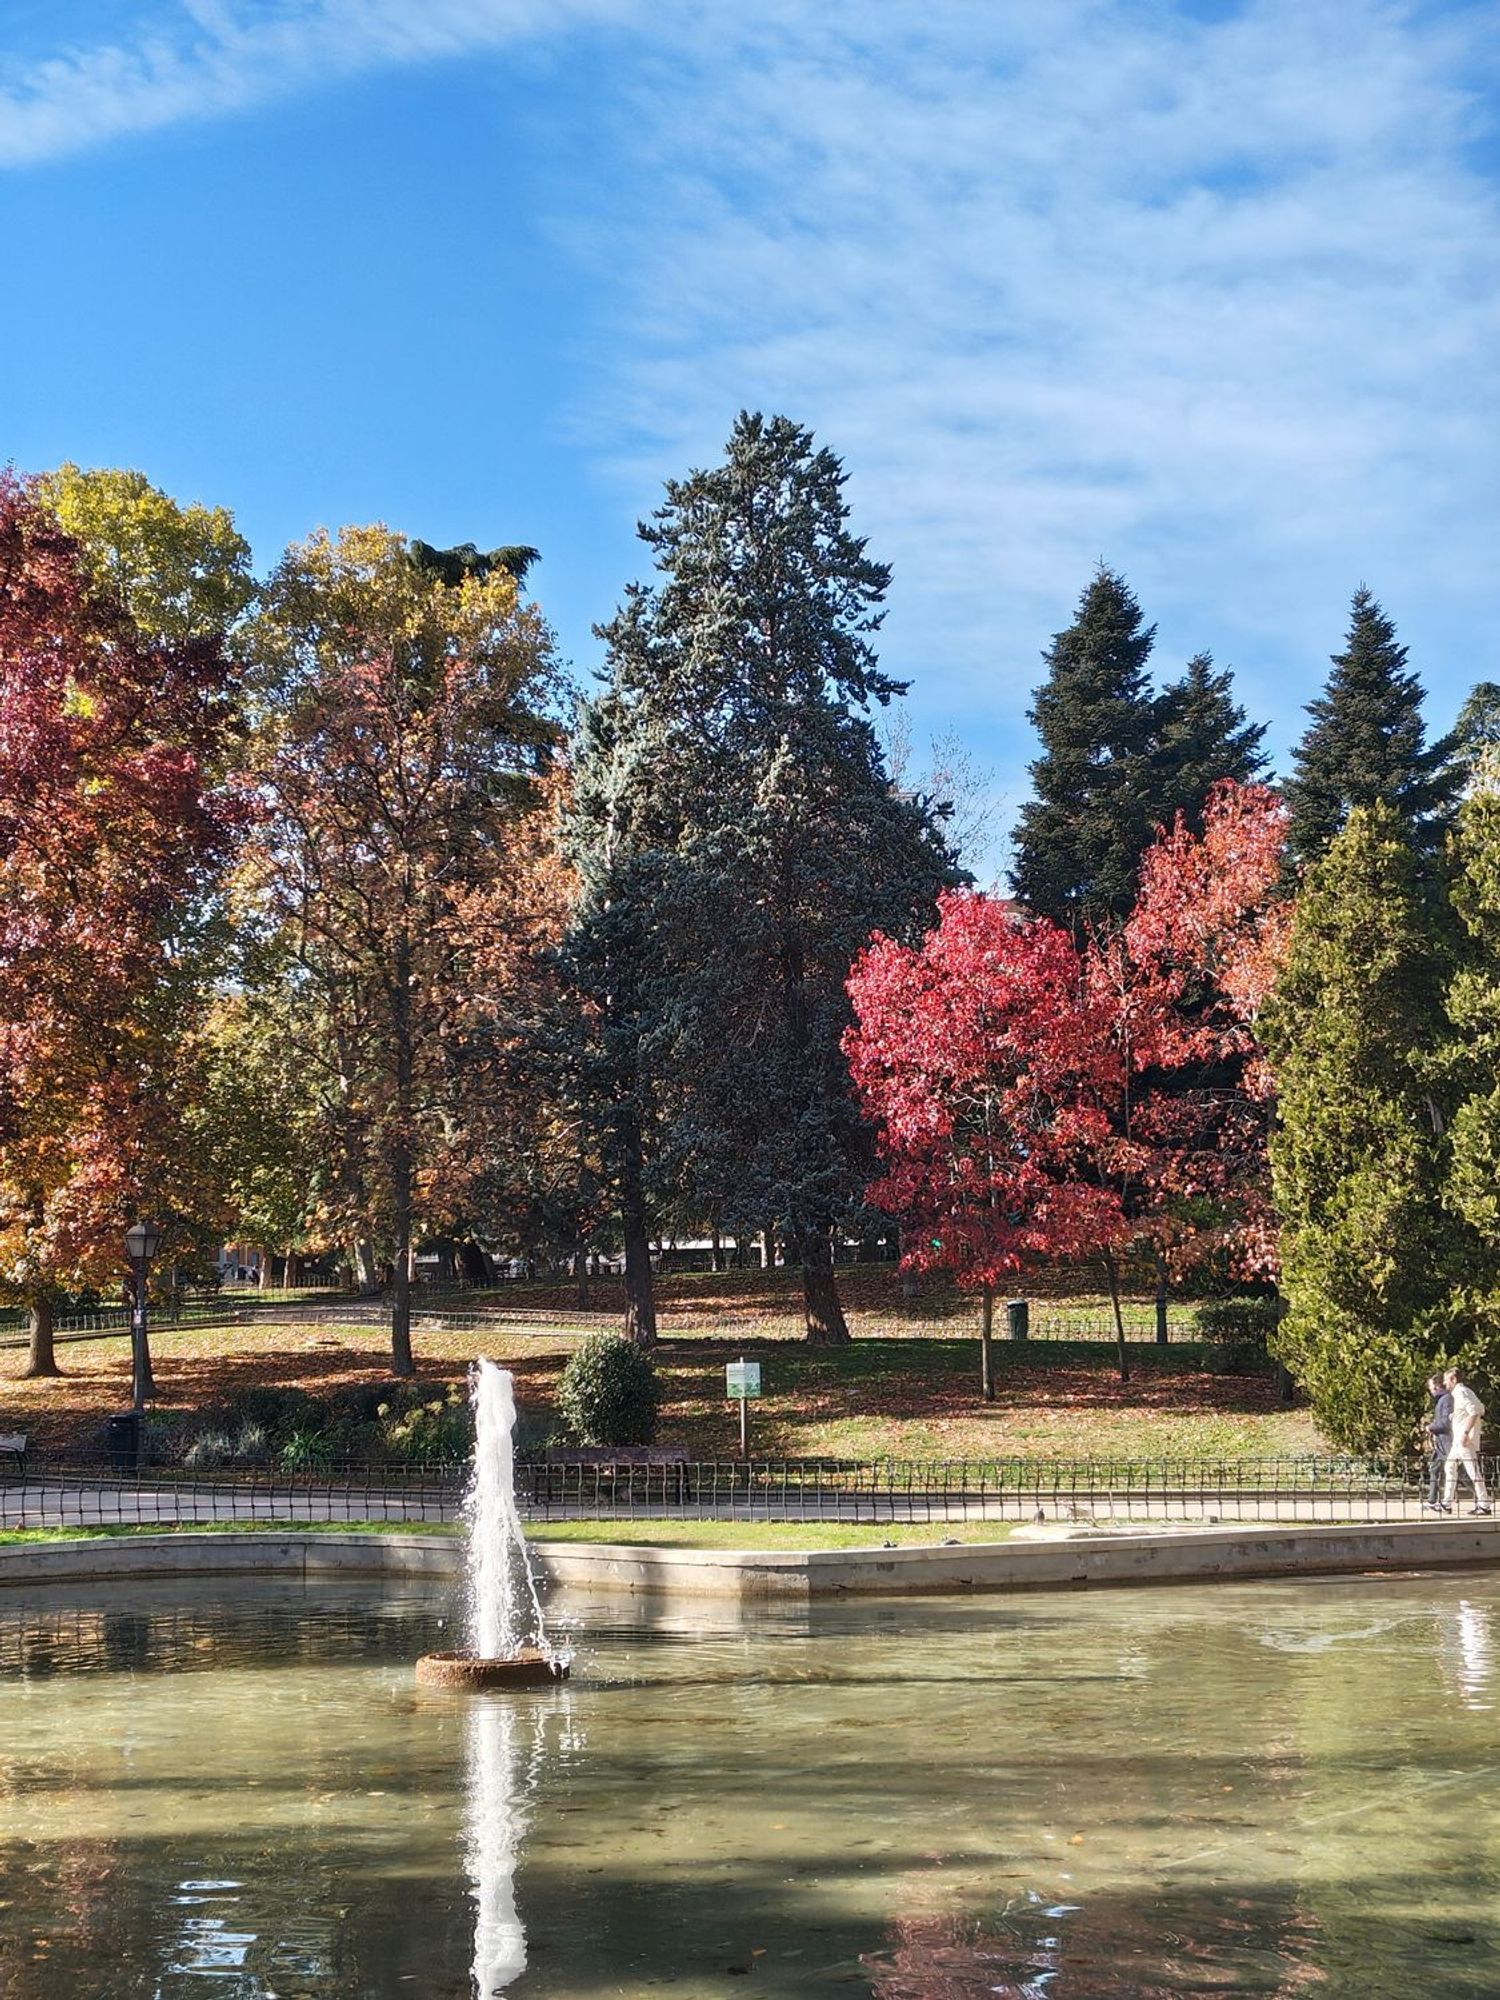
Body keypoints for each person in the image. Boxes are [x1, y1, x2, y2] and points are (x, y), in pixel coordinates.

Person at [1442, 1367, 1493, 1517]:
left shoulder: (1461, 1392)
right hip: (1459, 1440)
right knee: (1450, 1466)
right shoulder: (1465, 1392)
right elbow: (1480, 1408)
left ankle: (1484, 1504)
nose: (1445, 1383)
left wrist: (1465, 1432)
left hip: (1463, 1439)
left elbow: (1475, 1411)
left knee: (1472, 1471)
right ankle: (1446, 1503)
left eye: (1446, 1380)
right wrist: (1456, 1415)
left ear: (1453, 1379)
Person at [1423, 1372, 1454, 1512]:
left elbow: (1446, 1423)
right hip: (1440, 1443)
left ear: (1438, 1386)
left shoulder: (1446, 1399)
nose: (1431, 1390)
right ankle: (1432, 1500)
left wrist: (1431, 1427)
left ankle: (1483, 1500)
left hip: (1447, 1442)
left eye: (1432, 1387)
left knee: (1461, 1473)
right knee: (1434, 1469)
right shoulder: (1442, 1400)